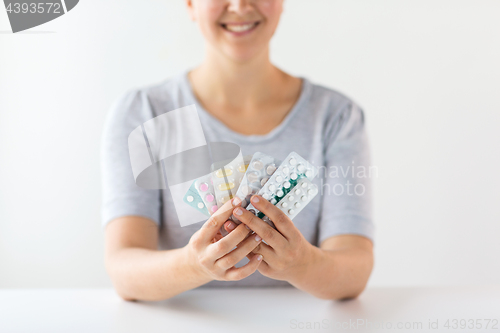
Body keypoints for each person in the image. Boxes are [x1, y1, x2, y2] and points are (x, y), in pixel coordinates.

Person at [102, 0, 374, 302]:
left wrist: (302, 263)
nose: (240, 5)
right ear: (191, 5)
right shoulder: (143, 113)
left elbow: (355, 270)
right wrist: (193, 265)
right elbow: (123, 269)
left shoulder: (336, 117)